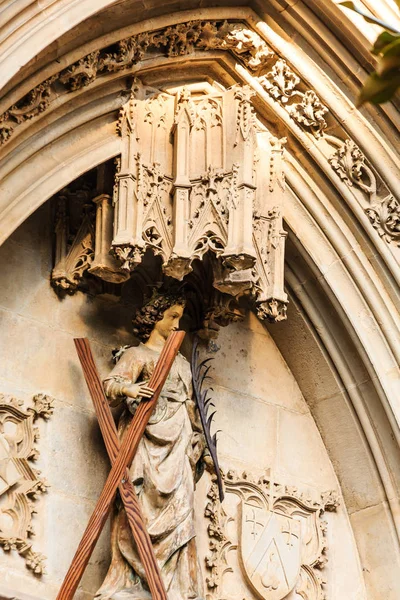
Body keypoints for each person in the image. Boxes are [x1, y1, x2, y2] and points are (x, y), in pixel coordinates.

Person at [95, 293, 206, 600]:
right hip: (146, 439)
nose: (177, 324)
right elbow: (109, 386)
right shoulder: (138, 354)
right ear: (155, 317)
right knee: (137, 507)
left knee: (182, 512)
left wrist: (202, 446)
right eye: (171, 316)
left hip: (179, 441)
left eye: (180, 317)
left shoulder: (182, 363)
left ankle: (177, 587)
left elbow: (193, 407)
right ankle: (130, 582)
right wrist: (129, 387)